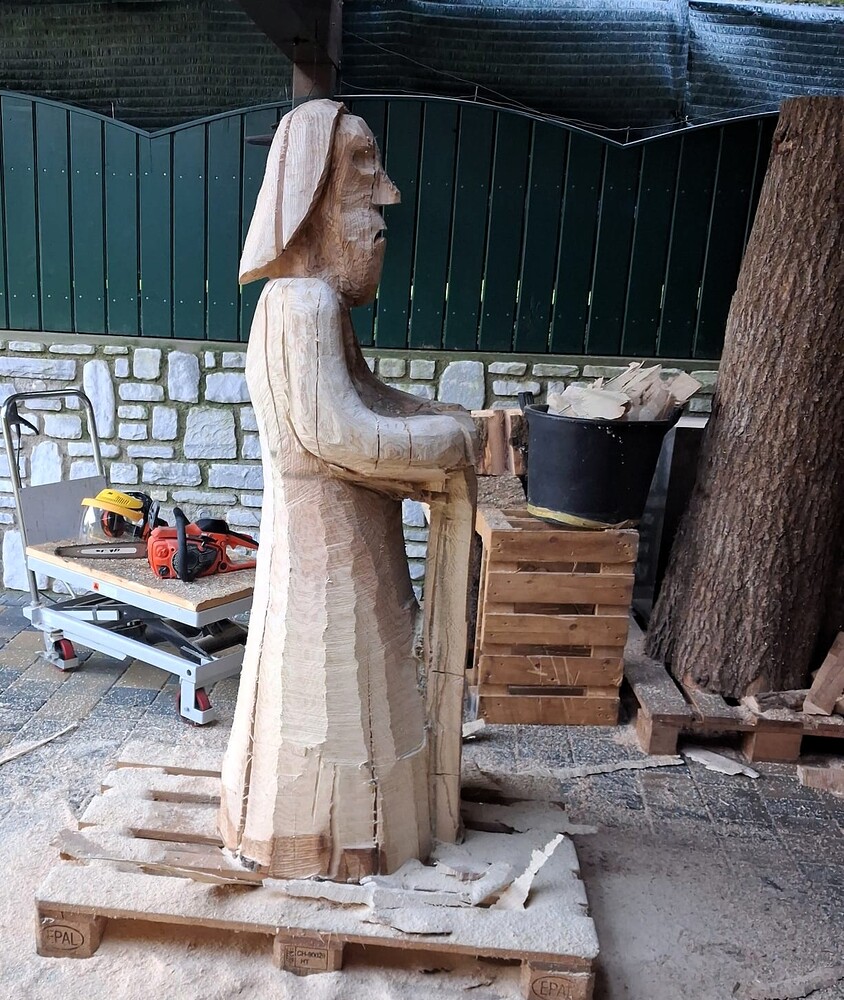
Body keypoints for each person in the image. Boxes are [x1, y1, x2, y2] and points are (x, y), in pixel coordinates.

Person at [218, 100, 475, 880]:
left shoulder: (319, 306)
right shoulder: (302, 304)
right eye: (363, 166)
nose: (386, 192)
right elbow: (339, 435)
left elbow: (369, 397)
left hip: (349, 553)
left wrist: (435, 415)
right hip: (324, 565)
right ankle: (329, 844)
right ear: (313, 188)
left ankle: (371, 830)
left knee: (368, 697)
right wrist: (452, 441)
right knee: (334, 714)